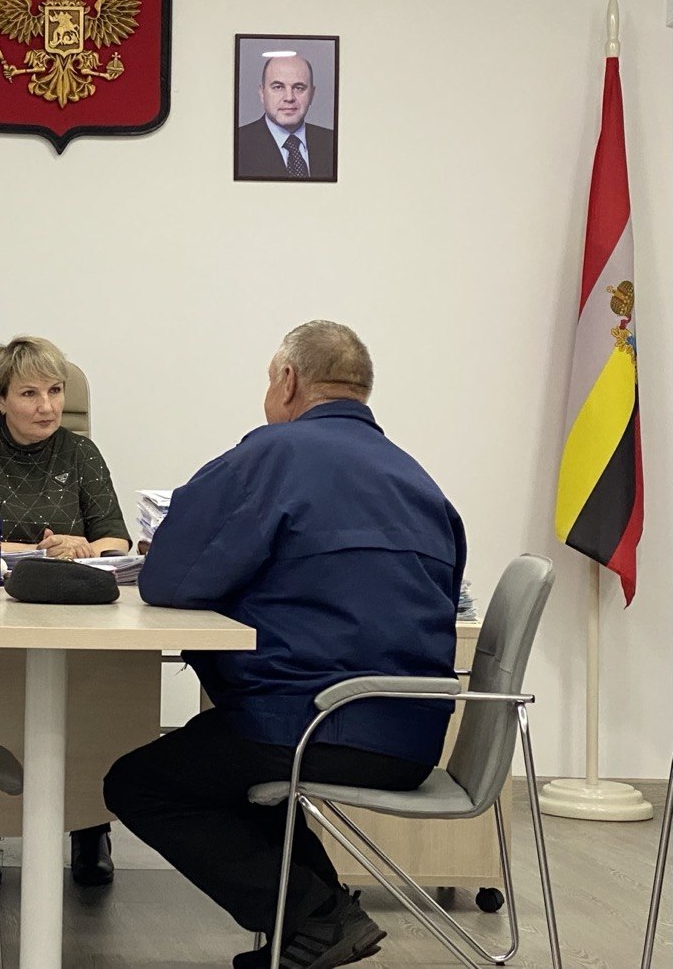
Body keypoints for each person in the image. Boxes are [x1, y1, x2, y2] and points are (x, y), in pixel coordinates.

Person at [104, 321, 465, 969]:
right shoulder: (421, 481)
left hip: (309, 724)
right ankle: (313, 925)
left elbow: (168, 579)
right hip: (413, 739)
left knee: (142, 783)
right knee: (235, 767)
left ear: (289, 380)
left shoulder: (272, 454)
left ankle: (319, 916)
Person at [0, 335, 131, 886]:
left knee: (90, 699)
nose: (47, 406)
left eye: (56, 391)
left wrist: (82, 547)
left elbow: (116, 541)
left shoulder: (81, 454)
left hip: (67, 612)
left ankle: (89, 826)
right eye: (30, 394)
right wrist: (31, 551)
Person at [235, 55, 334, 180]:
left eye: (298, 88)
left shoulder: (333, 142)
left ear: (312, 94)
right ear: (262, 93)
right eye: (278, 87)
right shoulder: (237, 143)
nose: (289, 97)